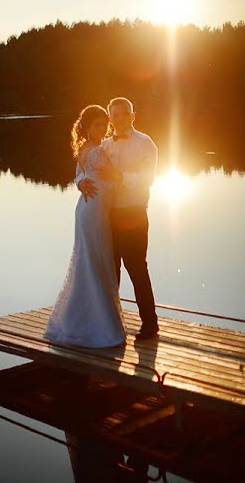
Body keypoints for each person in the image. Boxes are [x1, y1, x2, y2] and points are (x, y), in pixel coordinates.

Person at [77, 97, 159, 340]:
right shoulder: (104, 146)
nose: (120, 118)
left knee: (137, 270)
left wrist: (119, 176)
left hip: (133, 214)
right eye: (116, 115)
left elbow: (147, 179)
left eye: (125, 114)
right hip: (107, 216)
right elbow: (84, 168)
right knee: (110, 272)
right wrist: (79, 181)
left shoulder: (146, 144)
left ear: (133, 115)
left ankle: (150, 325)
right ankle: (111, 325)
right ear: (110, 119)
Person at [44, 105, 126, 348]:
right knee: (95, 262)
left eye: (104, 124)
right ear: (87, 128)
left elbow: (79, 173)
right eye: (97, 125)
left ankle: (81, 319)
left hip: (88, 210)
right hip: (94, 213)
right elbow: (117, 179)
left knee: (89, 262)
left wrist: (82, 181)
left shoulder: (85, 148)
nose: (102, 129)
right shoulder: (98, 152)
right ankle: (99, 326)